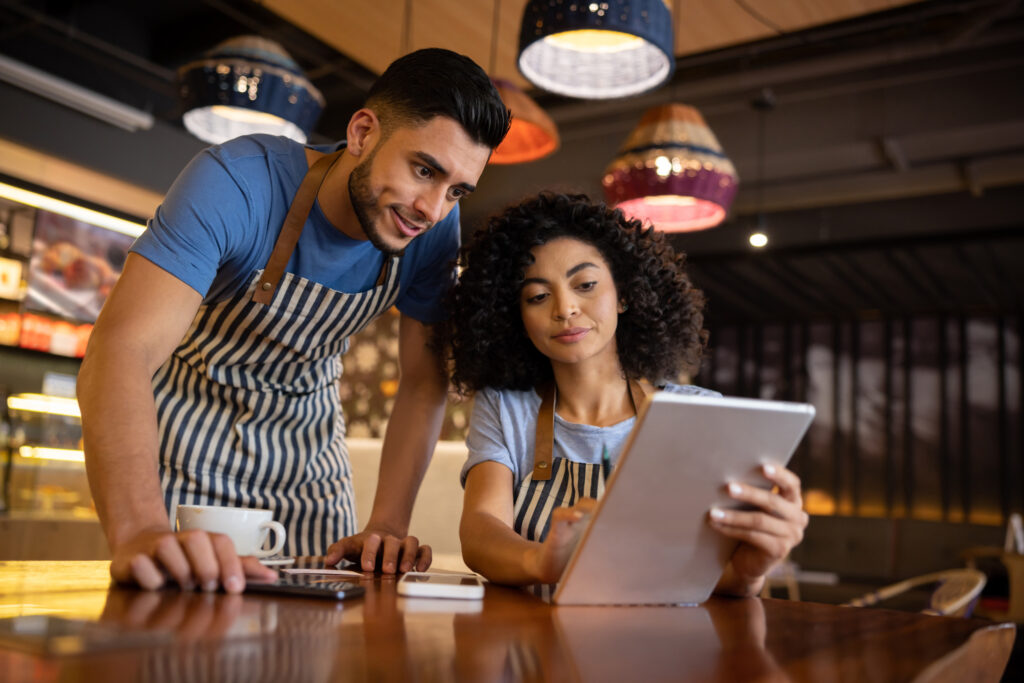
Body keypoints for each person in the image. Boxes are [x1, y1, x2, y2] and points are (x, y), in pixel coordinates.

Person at [77, 48, 511, 593]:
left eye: (456, 191)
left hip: (309, 468)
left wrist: (386, 527)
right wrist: (140, 527)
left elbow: (424, 383)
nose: (433, 209)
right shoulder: (235, 183)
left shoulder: (433, 236)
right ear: (362, 133)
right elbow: (120, 349)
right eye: (424, 170)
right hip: (184, 455)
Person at [439, 193, 808, 597]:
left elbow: (712, 576)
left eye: (586, 284)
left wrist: (750, 572)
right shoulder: (505, 407)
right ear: (515, 316)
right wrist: (542, 561)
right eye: (538, 296)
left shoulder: (696, 412)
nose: (565, 309)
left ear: (625, 294)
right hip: (536, 649)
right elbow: (480, 529)